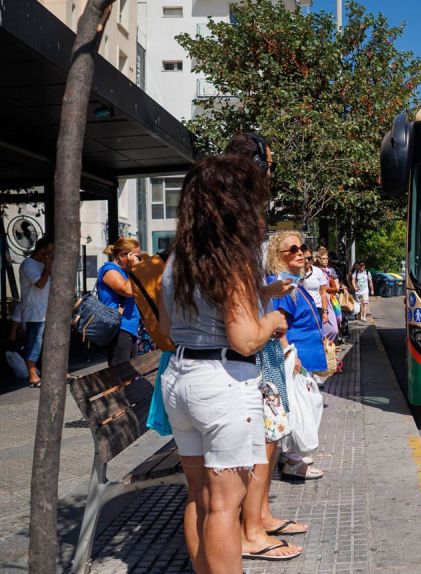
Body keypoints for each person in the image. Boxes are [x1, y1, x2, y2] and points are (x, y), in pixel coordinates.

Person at [159, 155, 300, 570]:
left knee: (200, 498)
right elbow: (243, 339)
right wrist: (272, 319)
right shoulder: (231, 257)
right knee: (225, 506)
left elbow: (166, 328)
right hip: (222, 385)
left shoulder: (176, 260)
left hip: (180, 379)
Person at [222, 133, 311, 554]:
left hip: (262, 347)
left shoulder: (241, 216)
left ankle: (260, 518)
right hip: (251, 348)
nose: (271, 173)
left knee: (271, 435)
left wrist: (268, 293)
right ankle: (252, 530)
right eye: (268, 164)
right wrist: (270, 306)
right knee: (263, 436)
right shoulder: (233, 220)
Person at [266, 231, 327, 480]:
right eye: (292, 250)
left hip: (300, 356)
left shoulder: (292, 281)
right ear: (277, 256)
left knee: (304, 405)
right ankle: (293, 460)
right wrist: (288, 353)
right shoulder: (281, 283)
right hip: (292, 358)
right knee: (297, 407)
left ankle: (294, 456)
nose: (300, 252)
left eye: (301, 247)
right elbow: (278, 323)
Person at [96, 237, 142, 366]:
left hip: (130, 326)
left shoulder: (126, 272)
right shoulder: (109, 270)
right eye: (135, 257)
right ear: (122, 255)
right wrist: (136, 268)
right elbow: (126, 290)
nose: (138, 260)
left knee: (130, 373)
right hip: (120, 328)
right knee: (119, 375)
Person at [18, 236, 53, 386]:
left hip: (46, 312)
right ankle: (33, 375)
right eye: (51, 252)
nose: (53, 255)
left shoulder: (44, 264)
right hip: (34, 313)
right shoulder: (28, 264)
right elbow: (39, 284)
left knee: (48, 344)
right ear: (43, 250)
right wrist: (48, 267)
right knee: (34, 343)